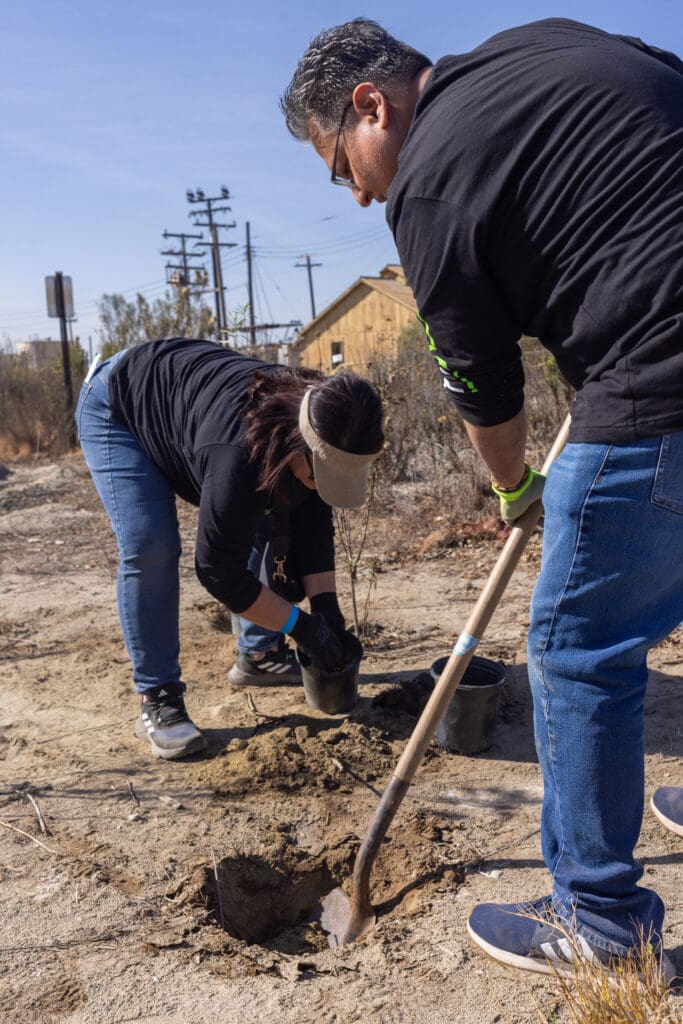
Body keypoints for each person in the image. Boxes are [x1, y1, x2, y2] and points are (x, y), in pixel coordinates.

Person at [282, 18, 683, 979]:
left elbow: (483, 387)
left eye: (341, 162)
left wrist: (513, 490)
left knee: (577, 647)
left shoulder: (426, 182)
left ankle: (599, 923)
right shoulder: (539, 45)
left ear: (371, 106)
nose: (355, 188)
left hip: (658, 376)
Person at [75, 337, 383, 760]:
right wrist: (302, 626)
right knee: (152, 545)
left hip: (188, 404)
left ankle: (259, 655)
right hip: (119, 407)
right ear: (299, 444)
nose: (320, 483)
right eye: (319, 473)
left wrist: (327, 607)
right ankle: (158, 696)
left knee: (282, 505)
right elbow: (218, 569)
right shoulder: (235, 452)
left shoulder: (330, 414)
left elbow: (313, 518)